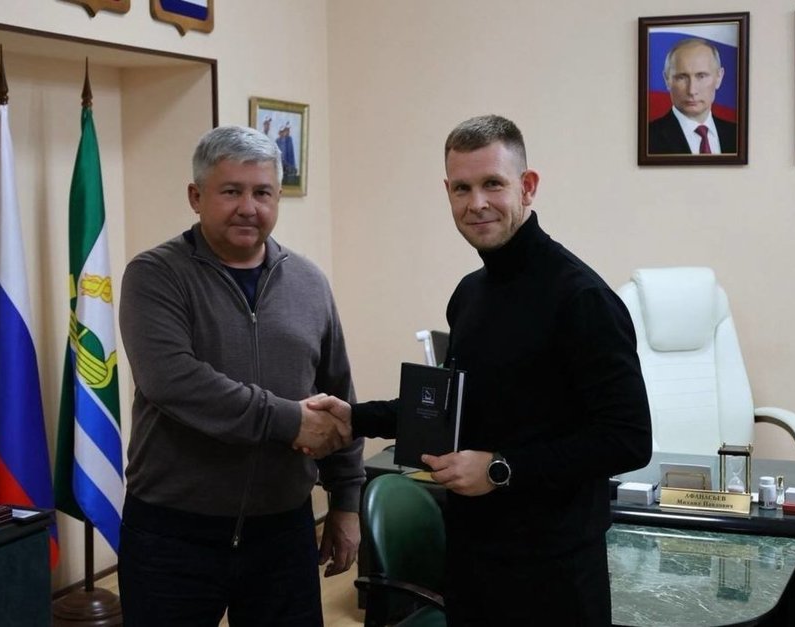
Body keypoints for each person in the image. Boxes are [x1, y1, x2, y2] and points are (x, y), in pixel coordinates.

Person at [311, 115, 652, 625]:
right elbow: (454, 408)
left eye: (493, 183)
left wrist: (500, 468)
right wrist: (353, 418)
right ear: (447, 192)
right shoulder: (470, 294)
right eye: (462, 188)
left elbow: (628, 439)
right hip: (473, 559)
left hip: (554, 572)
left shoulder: (581, 298)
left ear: (527, 186)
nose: (477, 203)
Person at [117, 124, 363, 626]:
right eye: (231, 191)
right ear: (196, 196)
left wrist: (346, 501)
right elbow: (173, 381)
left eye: (262, 193)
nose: (249, 207)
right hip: (173, 535)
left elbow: (338, 395)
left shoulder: (309, 282)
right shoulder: (155, 275)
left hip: (282, 532)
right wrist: (290, 420)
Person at [648, 38, 737, 155]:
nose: (692, 90)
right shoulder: (648, 138)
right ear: (667, 80)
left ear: (719, 77)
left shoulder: (737, 134)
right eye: (682, 77)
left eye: (701, 76)